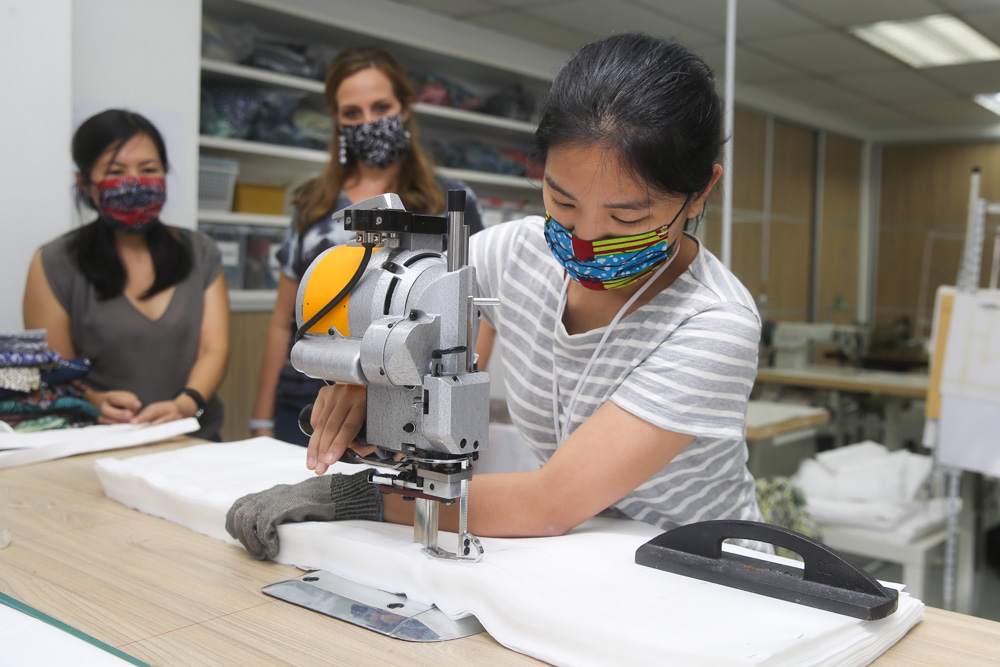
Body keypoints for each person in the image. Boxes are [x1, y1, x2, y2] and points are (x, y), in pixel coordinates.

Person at [228, 33, 764, 559]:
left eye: (628, 217)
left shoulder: (715, 323)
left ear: (700, 194)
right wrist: (370, 373)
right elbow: (415, 301)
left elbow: (548, 502)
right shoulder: (514, 253)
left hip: (705, 575)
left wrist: (354, 496)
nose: (585, 238)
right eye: (563, 200)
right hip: (589, 555)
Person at [249, 47, 484, 446]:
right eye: (352, 114)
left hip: (407, 398)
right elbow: (280, 320)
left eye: (380, 107)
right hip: (307, 394)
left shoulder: (452, 203)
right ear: (337, 122)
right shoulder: (313, 203)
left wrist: (459, 401)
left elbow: (473, 308)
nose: (368, 122)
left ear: (405, 109)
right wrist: (260, 420)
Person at [22, 109, 229, 440]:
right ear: (85, 183)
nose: (134, 181)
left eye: (148, 169)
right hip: (99, 443)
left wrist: (186, 404)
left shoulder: (200, 251)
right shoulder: (54, 262)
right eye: (116, 171)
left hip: (193, 440)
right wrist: (93, 401)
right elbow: (56, 369)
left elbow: (214, 348)